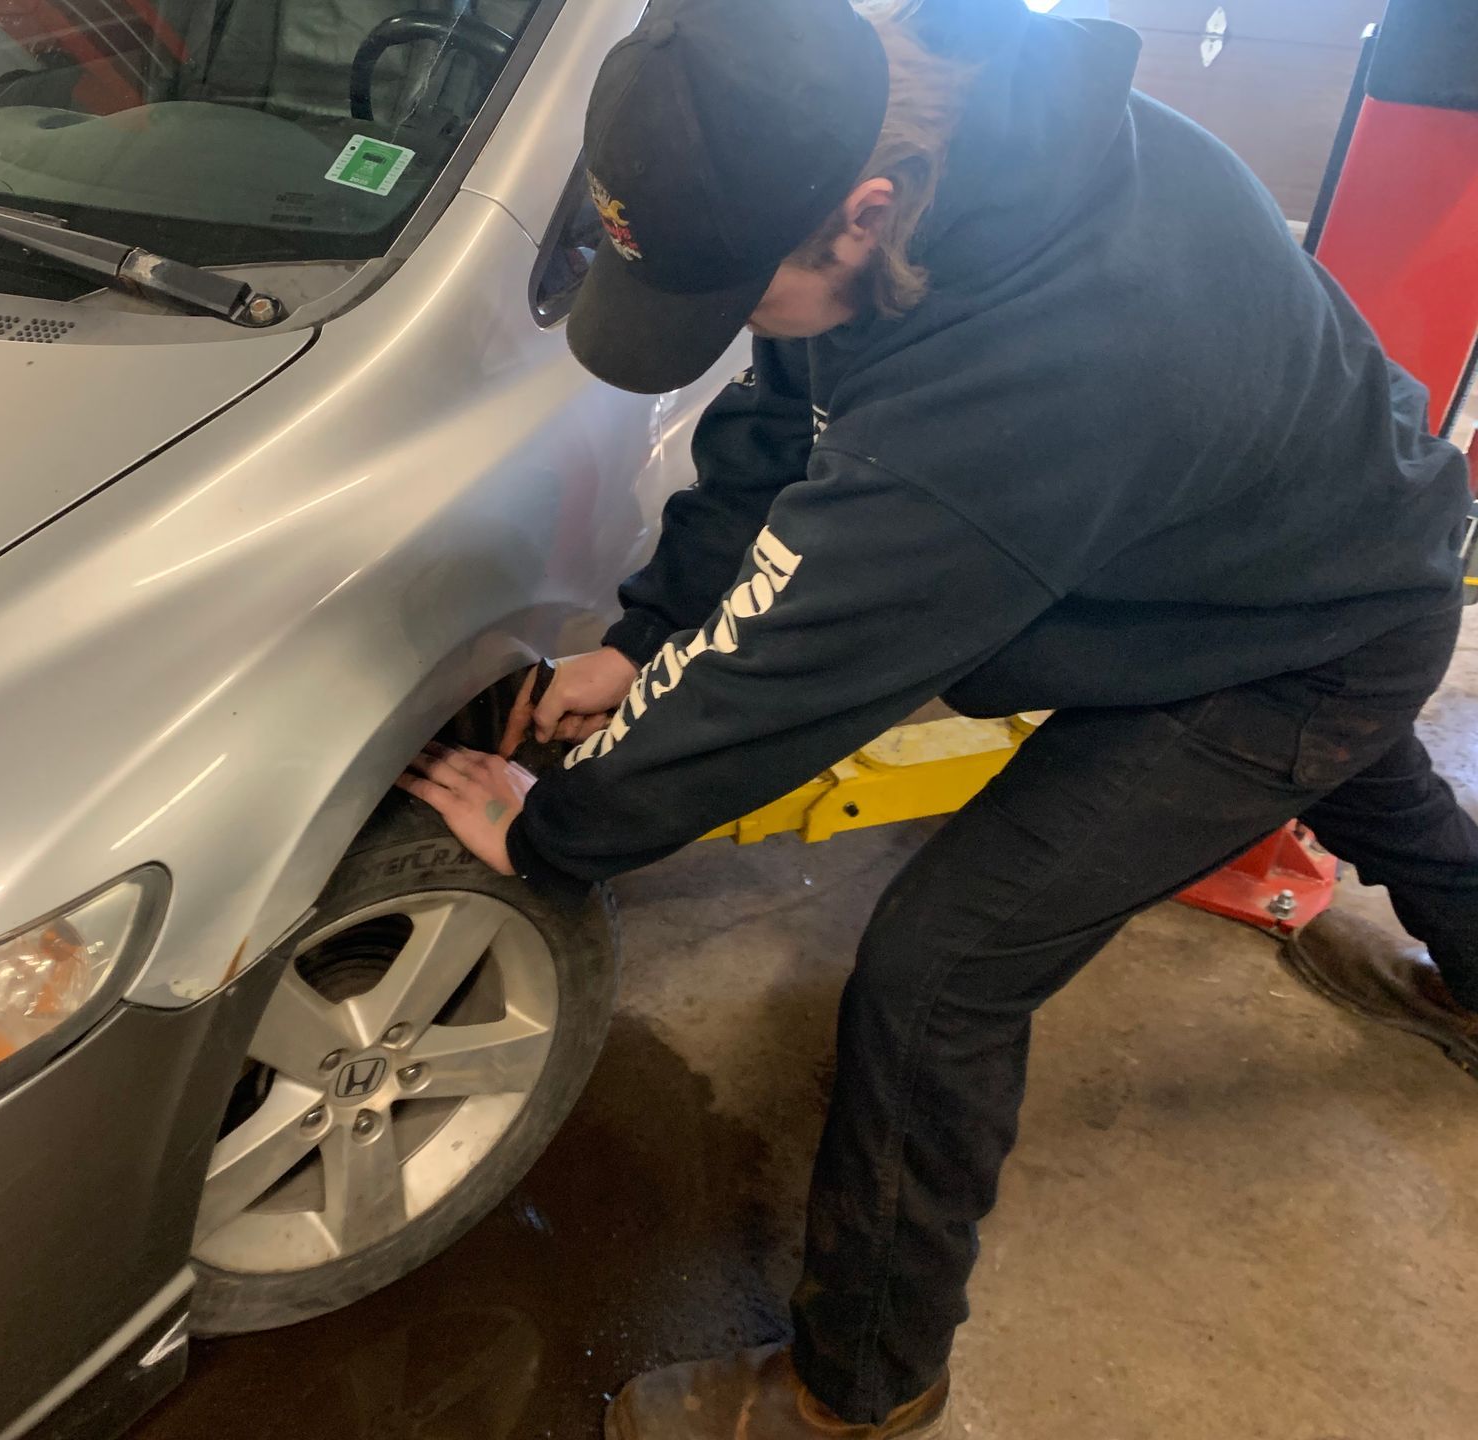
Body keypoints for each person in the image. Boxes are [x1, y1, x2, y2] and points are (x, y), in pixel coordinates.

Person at [393, 0, 1478, 1434]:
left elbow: (801, 662)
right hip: (1289, 557)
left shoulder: (1040, 366)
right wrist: (648, 636)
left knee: (938, 973)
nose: (735, 332)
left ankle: (854, 1391)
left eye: (738, 295)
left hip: (1295, 642)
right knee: (1375, 786)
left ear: (860, 215)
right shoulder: (904, 162)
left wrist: (561, 833)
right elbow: (785, 419)